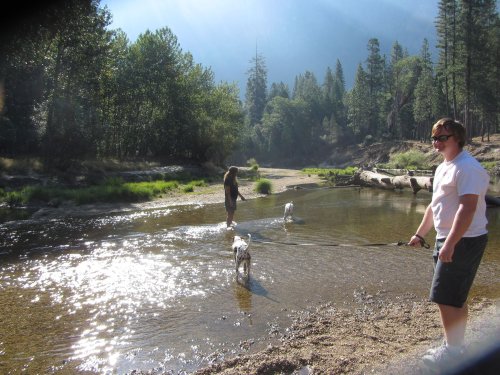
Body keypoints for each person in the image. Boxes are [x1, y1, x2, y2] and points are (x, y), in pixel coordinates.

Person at [408, 118, 489, 371]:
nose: (437, 142)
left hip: (464, 240)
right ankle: (457, 345)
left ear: (457, 139)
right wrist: (421, 234)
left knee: (444, 297)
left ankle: (452, 351)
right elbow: (435, 205)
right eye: (434, 137)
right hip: (449, 238)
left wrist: (451, 243)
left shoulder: (467, 168)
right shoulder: (444, 166)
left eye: (443, 137)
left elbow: (468, 208)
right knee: (454, 297)